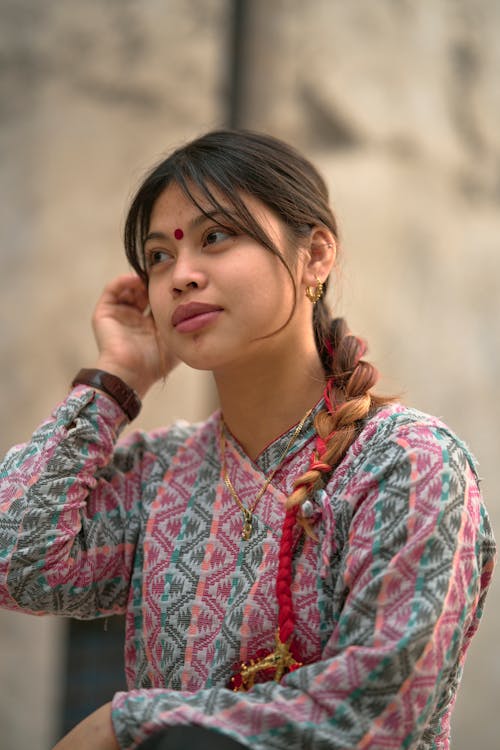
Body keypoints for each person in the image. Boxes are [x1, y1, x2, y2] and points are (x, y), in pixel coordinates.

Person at [0, 130, 495, 750]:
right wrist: (115, 380)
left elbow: (373, 712)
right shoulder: (160, 473)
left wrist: (129, 722)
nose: (180, 275)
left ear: (314, 255)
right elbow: (15, 563)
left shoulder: (408, 465)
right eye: (158, 257)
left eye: (215, 237)